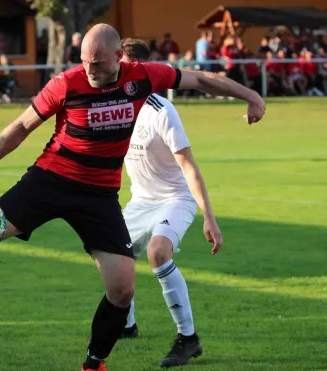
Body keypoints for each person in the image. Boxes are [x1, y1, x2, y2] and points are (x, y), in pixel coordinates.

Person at [0, 23, 265, 371]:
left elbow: (199, 78)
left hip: (98, 196)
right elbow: (19, 128)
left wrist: (251, 96)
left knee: (123, 288)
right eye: (84, 62)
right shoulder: (66, 83)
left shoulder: (143, 77)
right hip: (50, 180)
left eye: (97, 63)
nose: (89, 70)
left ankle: (94, 363)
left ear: (118, 57)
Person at [117, 38, 221, 368]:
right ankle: (126, 325)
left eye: (126, 67)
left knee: (157, 253)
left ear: (143, 70)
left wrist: (209, 217)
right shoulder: (116, 106)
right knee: (112, 254)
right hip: (139, 201)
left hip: (174, 199)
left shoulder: (162, 111)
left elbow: (188, 165)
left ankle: (188, 338)